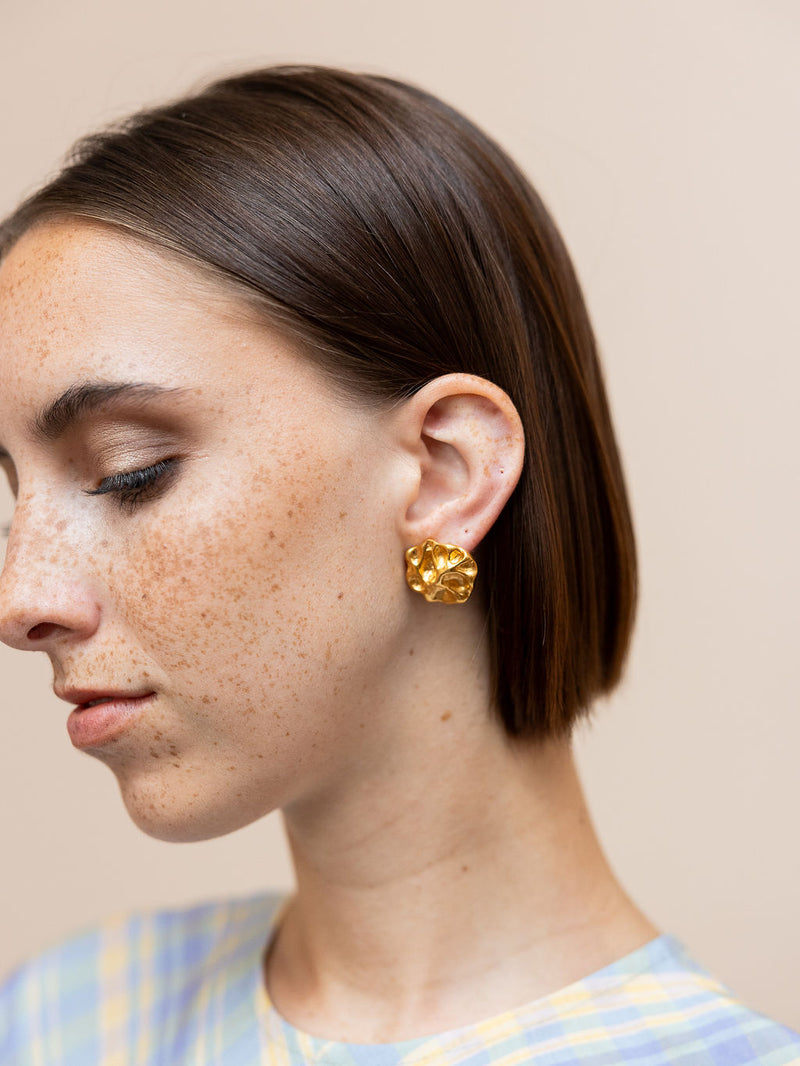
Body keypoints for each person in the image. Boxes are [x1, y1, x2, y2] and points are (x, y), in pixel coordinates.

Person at [0, 65, 796, 1066]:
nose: (23, 597)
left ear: (442, 474)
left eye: (131, 472)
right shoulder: (63, 1019)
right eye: (12, 494)